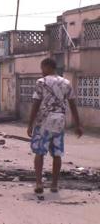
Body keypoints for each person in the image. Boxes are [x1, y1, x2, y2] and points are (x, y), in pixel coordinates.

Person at [27, 58, 83, 194]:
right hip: (59, 122)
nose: (41, 71)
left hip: (43, 122)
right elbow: (72, 105)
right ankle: (54, 185)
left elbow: (36, 104)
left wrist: (30, 124)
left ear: (47, 67)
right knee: (57, 154)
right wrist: (78, 124)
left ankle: (39, 183)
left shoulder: (41, 82)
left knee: (39, 153)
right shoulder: (66, 83)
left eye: (42, 68)